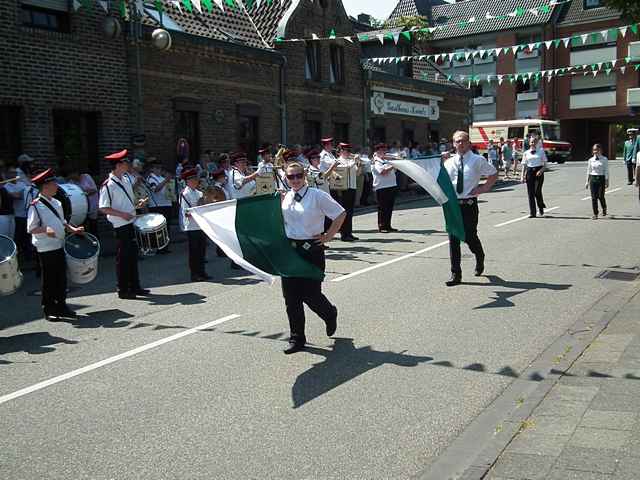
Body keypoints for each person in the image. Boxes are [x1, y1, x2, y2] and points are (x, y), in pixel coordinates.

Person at [280, 162, 346, 354]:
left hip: (312, 249)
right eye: (290, 177)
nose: (295, 180)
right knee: (291, 298)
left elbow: (340, 213)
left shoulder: (317, 195)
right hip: (291, 251)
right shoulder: (286, 196)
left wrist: (328, 235)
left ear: (305, 175)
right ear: (286, 178)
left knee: (311, 295)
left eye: (298, 175)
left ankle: (329, 313)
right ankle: (297, 338)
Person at [27, 169, 84, 319]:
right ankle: (49, 309)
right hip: (45, 247)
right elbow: (31, 228)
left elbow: (62, 221)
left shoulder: (57, 202)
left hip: (58, 243)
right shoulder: (36, 205)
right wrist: (46, 229)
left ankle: (62, 306)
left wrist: (73, 229)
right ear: (45, 187)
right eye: (53, 184)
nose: (57, 186)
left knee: (61, 277)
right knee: (49, 279)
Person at [444, 131, 498, 287]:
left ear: (468, 143)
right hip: (453, 205)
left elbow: (493, 174)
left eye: (463, 141)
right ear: (453, 144)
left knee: (469, 236)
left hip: (469, 204)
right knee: (453, 239)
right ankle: (456, 273)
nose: (460, 144)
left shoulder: (477, 160)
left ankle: (479, 255)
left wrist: (483, 188)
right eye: (457, 141)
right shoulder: (448, 163)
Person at [98, 149, 150, 299]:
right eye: (125, 162)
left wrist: (137, 205)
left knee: (133, 255)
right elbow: (103, 207)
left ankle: (135, 286)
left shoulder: (126, 179)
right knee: (123, 258)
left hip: (131, 220)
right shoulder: (108, 185)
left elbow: (126, 201)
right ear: (118, 165)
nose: (128, 165)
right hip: (120, 224)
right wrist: (122, 214)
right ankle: (123, 288)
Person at [179, 168, 211, 281]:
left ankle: (202, 271)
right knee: (194, 251)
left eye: (196, 179)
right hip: (192, 226)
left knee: (202, 250)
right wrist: (198, 210)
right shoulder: (185, 194)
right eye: (193, 179)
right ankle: (194, 274)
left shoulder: (200, 193)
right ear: (188, 181)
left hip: (201, 225)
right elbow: (186, 212)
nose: (196, 181)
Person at [146, 161, 173, 254]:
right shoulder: (150, 178)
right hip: (157, 206)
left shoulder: (162, 178)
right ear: (152, 169)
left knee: (166, 227)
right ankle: (159, 247)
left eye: (160, 168)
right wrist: (166, 180)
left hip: (166, 204)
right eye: (156, 168)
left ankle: (165, 247)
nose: (159, 170)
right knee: (158, 228)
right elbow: (155, 189)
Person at [335, 143, 359, 241]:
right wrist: (354, 160)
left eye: (349, 151)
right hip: (343, 189)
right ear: (341, 151)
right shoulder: (338, 161)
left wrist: (359, 163)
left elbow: (357, 173)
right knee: (345, 212)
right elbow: (346, 169)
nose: (348, 152)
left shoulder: (350, 160)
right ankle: (344, 234)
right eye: (346, 150)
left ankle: (349, 232)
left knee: (350, 212)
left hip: (352, 187)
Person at [372, 143, 398, 233]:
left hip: (391, 185)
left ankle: (388, 225)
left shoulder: (386, 160)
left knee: (389, 207)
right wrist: (393, 165)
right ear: (377, 151)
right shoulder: (376, 161)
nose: (384, 152)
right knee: (383, 208)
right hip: (382, 187)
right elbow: (382, 172)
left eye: (385, 150)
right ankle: (382, 226)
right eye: (382, 150)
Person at [67, 168, 99, 237]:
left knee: (93, 225)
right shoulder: (71, 182)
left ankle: (95, 239)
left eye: (72, 174)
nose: (71, 177)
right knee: (83, 225)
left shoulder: (87, 177)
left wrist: (83, 193)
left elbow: (94, 190)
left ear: (76, 173)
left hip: (92, 205)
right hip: (81, 207)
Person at [520, 139, 548, 218]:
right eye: (531, 142)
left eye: (534, 142)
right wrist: (522, 176)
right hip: (529, 172)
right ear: (529, 143)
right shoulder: (526, 153)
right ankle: (532, 213)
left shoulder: (541, 151)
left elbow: (545, 165)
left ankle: (541, 207)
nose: (533, 143)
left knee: (537, 191)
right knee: (530, 193)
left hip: (538, 171)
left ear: (537, 143)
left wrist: (541, 170)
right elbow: (524, 165)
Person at [585, 144, 609, 220]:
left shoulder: (604, 159)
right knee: (593, 197)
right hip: (593, 179)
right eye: (594, 150)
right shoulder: (590, 160)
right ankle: (595, 214)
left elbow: (606, 171)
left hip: (601, 178)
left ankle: (604, 208)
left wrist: (607, 181)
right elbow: (588, 171)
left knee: (600, 196)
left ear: (600, 150)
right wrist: (587, 182)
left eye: (597, 150)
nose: (596, 151)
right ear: (593, 151)